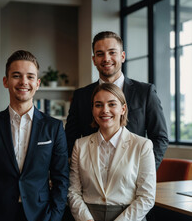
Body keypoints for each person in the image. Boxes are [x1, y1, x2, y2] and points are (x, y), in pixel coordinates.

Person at [0, 50, 69, 221]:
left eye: (30, 77)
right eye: (16, 76)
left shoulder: (54, 128)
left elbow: (61, 178)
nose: (24, 82)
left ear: (37, 84)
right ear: (5, 81)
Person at [65, 31, 168, 170]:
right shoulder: (81, 96)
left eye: (112, 52)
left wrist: (143, 170)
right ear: (94, 59)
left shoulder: (145, 92)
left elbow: (159, 138)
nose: (106, 58)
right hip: (91, 178)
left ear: (122, 56)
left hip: (133, 178)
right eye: (100, 54)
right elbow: (70, 140)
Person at [68, 83, 156, 221]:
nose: (105, 110)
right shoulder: (80, 145)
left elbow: (147, 197)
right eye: (98, 105)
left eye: (112, 104)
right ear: (93, 110)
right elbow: (72, 192)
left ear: (123, 109)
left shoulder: (142, 145)